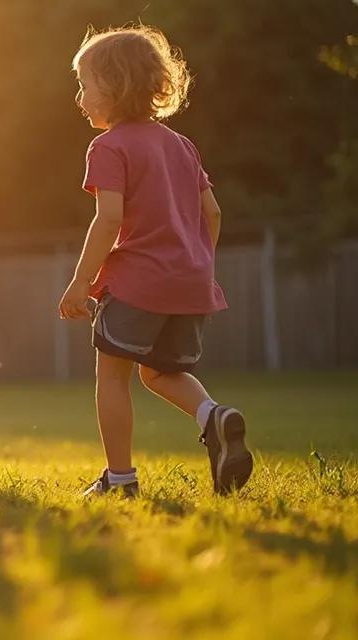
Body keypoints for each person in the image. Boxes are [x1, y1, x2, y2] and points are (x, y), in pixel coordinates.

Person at [59, 25, 251, 497]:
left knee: (113, 376)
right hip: (191, 283)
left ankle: (120, 480)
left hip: (138, 283)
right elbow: (213, 212)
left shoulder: (108, 147)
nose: (79, 98)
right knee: (161, 371)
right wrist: (196, 263)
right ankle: (213, 415)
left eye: (85, 85)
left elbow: (108, 219)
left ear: (114, 84)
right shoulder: (181, 145)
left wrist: (80, 282)